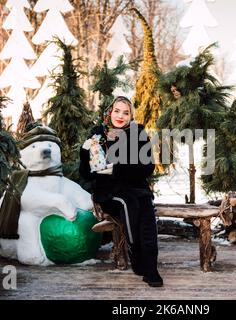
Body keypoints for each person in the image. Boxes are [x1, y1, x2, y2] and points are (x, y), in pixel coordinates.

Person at [79, 96, 163, 287]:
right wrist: (84, 154)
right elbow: (86, 173)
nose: (120, 116)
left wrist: (117, 169)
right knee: (128, 203)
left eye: (126, 112)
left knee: (146, 208)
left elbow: (147, 167)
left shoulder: (138, 134)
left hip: (136, 189)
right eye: (117, 111)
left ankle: (151, 266)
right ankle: (136, 253)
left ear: (131, 116)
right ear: (110, 112)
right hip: (109, 191)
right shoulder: (97, 136)